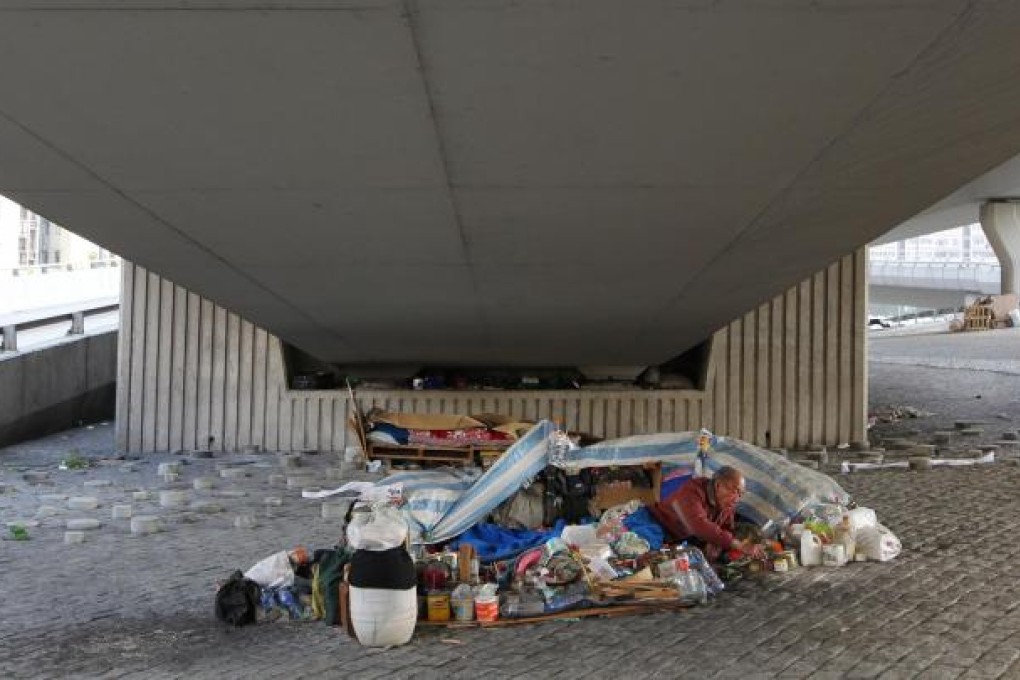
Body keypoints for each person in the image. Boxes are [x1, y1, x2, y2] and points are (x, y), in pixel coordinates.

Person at [648, 466, 765, 561]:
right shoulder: (692, 491)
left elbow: (726, 528)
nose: (737, 499)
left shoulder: (726, 504)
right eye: (735, 491)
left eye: (740, 494)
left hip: (677, 538)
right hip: (653, 524)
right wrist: (740, 546)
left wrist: (715, 545)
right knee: (648, 559)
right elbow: (698, 525)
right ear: (719, 485)